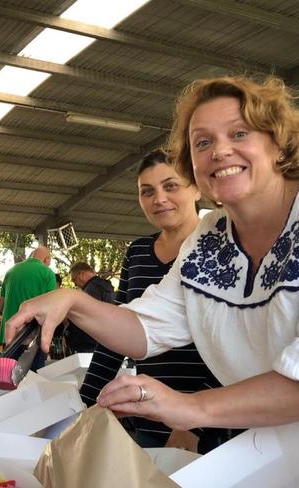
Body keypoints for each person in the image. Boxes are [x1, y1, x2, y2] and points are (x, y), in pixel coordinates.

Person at [7, 75, 299, 436]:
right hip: (262, 443)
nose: (219, 151)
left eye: (239, 133)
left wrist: (190, 407)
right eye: (203, 142)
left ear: (279, 143)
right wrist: (70, 301)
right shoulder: (209, 238)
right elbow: (146, 328)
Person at [80, 150, 231, 454]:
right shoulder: (137, 252)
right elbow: (116, 332)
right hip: (148, 416)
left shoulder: (220, 248)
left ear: (196, 189)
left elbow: (230, 345)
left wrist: (193, 423)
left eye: (170, 186)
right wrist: (86, 402)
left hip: (208, 421)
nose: (159, 199)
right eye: (147, 191)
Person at [0, 246, 56, 371]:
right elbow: (52, 307)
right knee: (33, 377)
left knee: (9, 376)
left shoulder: (11, 271)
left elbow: (0, 305)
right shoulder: (47, 273)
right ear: (46, 259)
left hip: (10, 336)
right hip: (34, 336)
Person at [65, 262, 115, 354]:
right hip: (103, 341)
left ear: (82, 274)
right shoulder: (106, 287)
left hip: (88, 344)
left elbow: (86, 315)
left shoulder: (91, 288)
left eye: (74, 280)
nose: (75, 284)